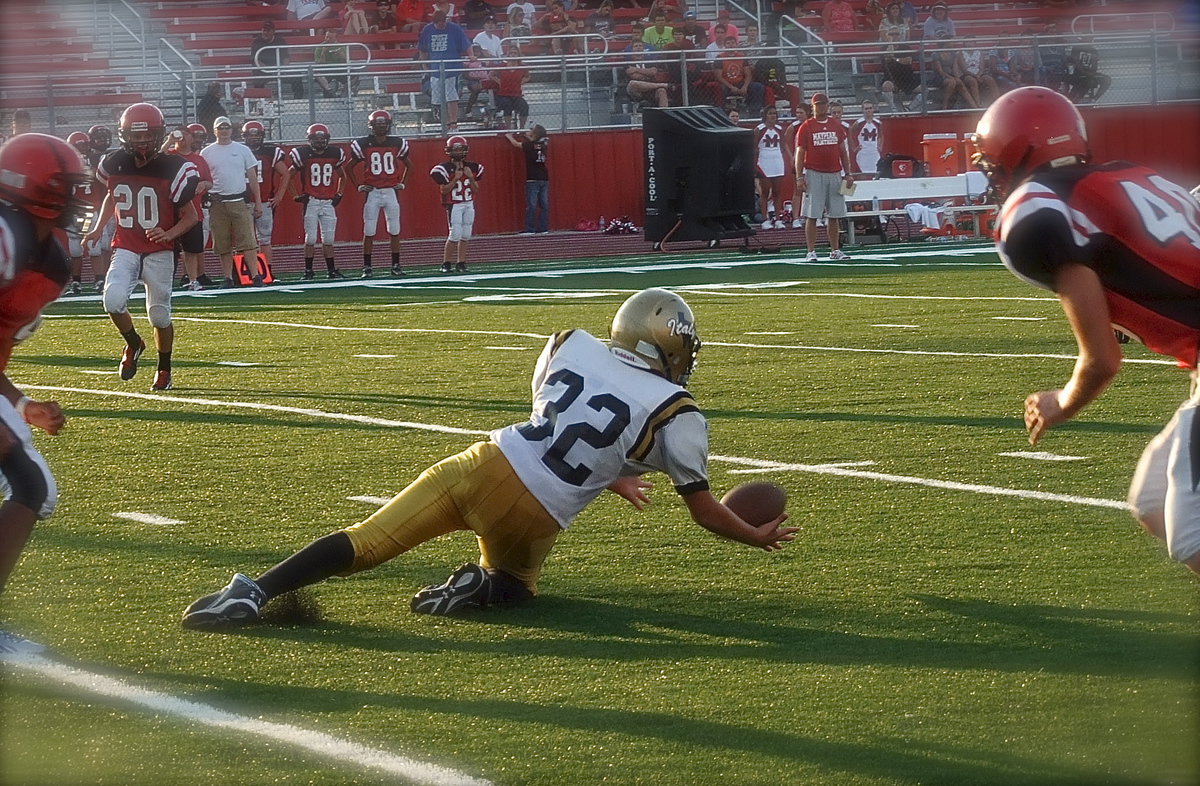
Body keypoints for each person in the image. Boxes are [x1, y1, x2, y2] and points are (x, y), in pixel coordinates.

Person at [180, 287, 798, 628]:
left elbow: (553, 424)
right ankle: (480, 584)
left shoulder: (570, 344)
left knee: (367, 541)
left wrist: (612, 475)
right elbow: (703, 510)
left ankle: (253, 592)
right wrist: (754, 535)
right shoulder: (677, 408)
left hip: (482, 465)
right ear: (664, 340)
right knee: (519, 586)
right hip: (537, 516)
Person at [971, 86, 1200, 574]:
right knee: (1152, 499)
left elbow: (1101, 359)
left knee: (1193, 536)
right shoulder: (1133, 176)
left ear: (1012, 153)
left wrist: (1062, 402)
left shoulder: (1036, 209)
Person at [0, 133, 82, 652]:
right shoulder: (7, 235)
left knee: (33, 488)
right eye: (64, 185)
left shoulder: (45, 250)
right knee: (31, 485)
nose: (75, 196)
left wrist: (21, 404)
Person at [83, 103, 200, 392]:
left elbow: (192, 217)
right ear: (124, 135)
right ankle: (134, 344)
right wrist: (98, 227)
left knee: (159, 315)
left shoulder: (174, 167)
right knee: (112, 301)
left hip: (159, 250)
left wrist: (168, 233)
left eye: (147, 136)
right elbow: (113, 193)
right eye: (136, 137)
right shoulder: (113, 163)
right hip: (125, 245)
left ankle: (164, 369)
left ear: (159, 135)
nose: (142, 142)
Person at [201, 116, 266, 288]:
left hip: (238, 200)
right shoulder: (207, 152)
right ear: (214, 131)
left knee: (249, 241)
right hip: (217, 202)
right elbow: (203, 178)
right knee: (223, 242)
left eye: (227, 128)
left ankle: (255, 276)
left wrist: (258, 202)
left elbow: (252, 177)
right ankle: (228, 277)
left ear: (231, 130)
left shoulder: (242, 150)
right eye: (220, 128)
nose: (224, 131)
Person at [346, 109, 411, 278]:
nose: (381, 127)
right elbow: (349, 167)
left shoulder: (397, 143)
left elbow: (410, 165)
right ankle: (367, 267)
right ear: (372, 126)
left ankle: (396, 265)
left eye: (384, 124)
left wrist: (402, 183)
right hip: (372, 191)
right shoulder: (364, 144)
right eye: (378, 124)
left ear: (389, 125)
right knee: (369, 230)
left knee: (395, 229)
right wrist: (359, 185)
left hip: (390, 191)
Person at [792, 92, 853, 261]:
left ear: (827, 105)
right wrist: (799, 176)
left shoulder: (835, 125)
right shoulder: (807, 126)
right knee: (812, 214)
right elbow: (800, 152)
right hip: (814, 172)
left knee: (835, 214)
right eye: (817, 104)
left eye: (823, 104)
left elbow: (842, 150)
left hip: (834, 172)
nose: (821, 107)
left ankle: (835, 249)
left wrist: (847, 173)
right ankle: (811, 250)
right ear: (813, 107)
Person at [289, 123, 347, 279]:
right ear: (310, 139)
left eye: (323, 139)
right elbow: (289, 175)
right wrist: (295, 195)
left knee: (328, 239)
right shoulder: (303, 154)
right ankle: (308, 270)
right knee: (311, 238)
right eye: (317, 139)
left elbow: (343, 175)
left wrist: (339, 193)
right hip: (312, 201)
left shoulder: (335, 154)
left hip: (328, 201)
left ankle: (331, 270)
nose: (320, 142)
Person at [162, 125, 214, 292]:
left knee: (192, 249)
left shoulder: (199, 159)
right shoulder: (170, 156)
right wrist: (169, 141)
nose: (183, 138)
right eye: (180, 134)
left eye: (186, 134)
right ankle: (166, 281)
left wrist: (204, 184)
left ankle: (193, 279)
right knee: (168, 249)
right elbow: (156, 157)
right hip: (170, 210)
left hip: (192, 210)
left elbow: (209, 181)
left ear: (192, 138)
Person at [242, 120, 292, 281]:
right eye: (251, 134)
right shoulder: (239, 151)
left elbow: (286, 173)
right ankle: (246, 274)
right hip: (242, 201)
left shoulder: (271, 152)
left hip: (264, 200)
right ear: (245, 136)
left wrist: (279, 195)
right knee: (244, 239)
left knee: (264, 238)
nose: (255, 138)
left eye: (258, 135)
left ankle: (266, 273)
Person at [430, 135, 484, 272]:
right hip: (454, 204)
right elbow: (444, 190)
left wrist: (470, 177)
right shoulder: (443, 168)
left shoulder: (473, 167)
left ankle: (461, 263)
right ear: (449, 151)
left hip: (468, 203)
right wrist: (455, 179)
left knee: (466, 234)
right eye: (456, 149)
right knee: (454, 234)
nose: (459, 152)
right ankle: (446, 263)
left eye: (461, 149)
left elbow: (476, 190)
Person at [418, 9, 473, 130]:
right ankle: (445, 122)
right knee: (438, 99)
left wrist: (471, 55)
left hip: (452, 70)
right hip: (435, 70)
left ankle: (453, 122)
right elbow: (422, 49)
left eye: (443, 22)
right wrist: (425, 66)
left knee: (452, 97)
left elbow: (467, 44)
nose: (441, 25)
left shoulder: (455, 28)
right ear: (434, 22)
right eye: (438, 23)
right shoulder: (427, 30)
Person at [83, 125, 115, 292]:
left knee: (109, 244)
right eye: (99, 137)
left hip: (110, 202)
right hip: (96, 204)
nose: (102, 140)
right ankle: (100, 277)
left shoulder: (111, 156)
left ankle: (109, 275)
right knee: (99, 243)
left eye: (104, 136)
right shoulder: (89, 158)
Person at [508, 125, 549, 234]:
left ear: (534, 134)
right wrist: (530, 136)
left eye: (531, 130)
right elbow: (536, 143)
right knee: (544, 204)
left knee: (532, 204)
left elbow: (516, 144)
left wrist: (509, 137)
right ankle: (543, 228)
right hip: (544, 177)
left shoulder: (529, 145)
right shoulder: (543, 144)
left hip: (533, 178)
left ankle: (530, 228)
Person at [251, 20, 304, 100]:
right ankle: (259, 102)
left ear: (273, 31)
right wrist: (266, 69)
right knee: (257, 79)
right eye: (264, 30)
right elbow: (255, 60)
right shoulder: (256, 42)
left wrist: (283, 68)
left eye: (268, 30)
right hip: (264, 70)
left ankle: (298, 100)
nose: (265, 33)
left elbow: (286, 58)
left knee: (296, 75)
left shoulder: (281, 41)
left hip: (280, 69)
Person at [754, 105, 787, 229]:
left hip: (777, 160)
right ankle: (765, 219)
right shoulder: (759, 129)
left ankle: (778, 219)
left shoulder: (780, 129)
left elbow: (782, 146)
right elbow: (754, 147)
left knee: (777, 192)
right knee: (765, 192)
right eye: (770, 113)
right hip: (764, 161)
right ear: (765, 115)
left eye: (774, 113)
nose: (773, 116)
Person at [313, 27, 351, 97]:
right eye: (326, 37)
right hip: (325, 70)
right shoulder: (320, 47)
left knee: (355, 74)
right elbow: (319, 65)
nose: (328, 40)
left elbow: (347, 63)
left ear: (335, 38)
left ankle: (344, 93)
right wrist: (323, 53)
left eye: (330, 38)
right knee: (316, 73)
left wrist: (342, 57)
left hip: (339, 69)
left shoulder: (341, 47)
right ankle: (329, 90)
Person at [849, 99, 883, 176]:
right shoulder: (858, 123)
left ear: (873, 109)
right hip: (863, 153)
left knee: (876, 173)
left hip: (874, 152)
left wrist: (880, 146)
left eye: (870, 108)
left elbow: (881, 135)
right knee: (863, 174)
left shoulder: (878, 123)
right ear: (863, 110)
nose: (868, 110)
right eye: (866, 108)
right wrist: (854, 148)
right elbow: (849, 134)